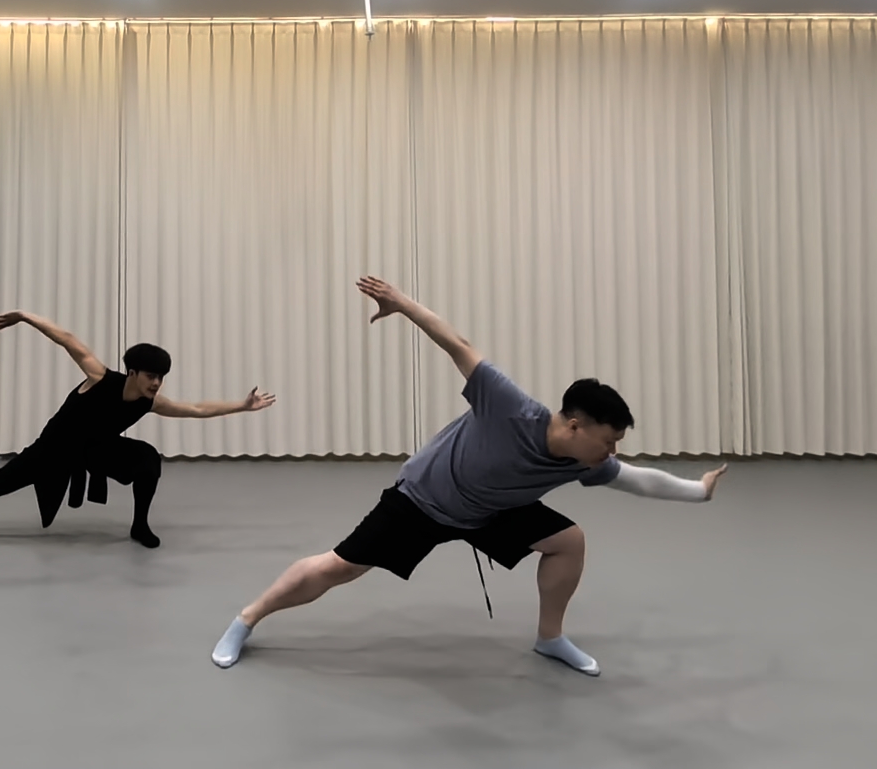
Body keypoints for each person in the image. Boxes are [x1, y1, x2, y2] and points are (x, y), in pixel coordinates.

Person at [210, 276, 726, 676]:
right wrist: (401, 303)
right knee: (339, 567)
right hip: (422, 501)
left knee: (568, 541)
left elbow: (636, 479)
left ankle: (550, 638)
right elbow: (457, 343)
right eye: (608, 440)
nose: (612, 452)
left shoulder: (582, 460)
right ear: (574, 425)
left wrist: (697, 491)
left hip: (491, 512)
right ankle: (246, 619)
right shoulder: (508, 405)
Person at [0, 310, 275, 550]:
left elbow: (196, 409)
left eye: (160, 377)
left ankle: (140, 526)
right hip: (53, 450)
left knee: (147, 459)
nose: (157, 383)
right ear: (133, 372)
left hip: (97, 452)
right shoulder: (99, 377)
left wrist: (242, 406)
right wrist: (25, 317)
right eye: (151, 376)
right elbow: (68, 340)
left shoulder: (150, 402)